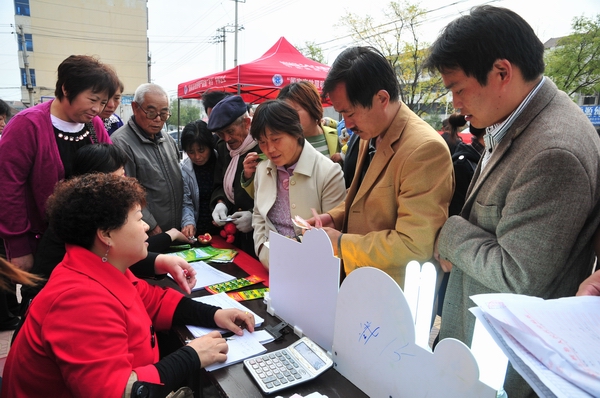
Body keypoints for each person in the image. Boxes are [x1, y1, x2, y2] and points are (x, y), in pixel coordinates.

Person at [426, 6, 600, 397]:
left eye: (458, 88)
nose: (455, 103)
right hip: (480, 345)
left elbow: (518, 274)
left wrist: (450, 232)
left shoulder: (554, 149)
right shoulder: (516, 120)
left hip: (505, 366)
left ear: (502, 73)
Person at [1, 173, 255, 397]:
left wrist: (216, 314)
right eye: (138, 218)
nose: (146, 226)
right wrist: (193, 355)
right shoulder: (78, 302)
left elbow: (155, 301)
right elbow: (118, 391)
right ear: (106, 235)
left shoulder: (99, 268)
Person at [310, 46, 454, 289]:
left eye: (350, 112)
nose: (347, 123)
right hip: (362, 282)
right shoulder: (371, 130)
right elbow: (364, 199)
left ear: (382, 99)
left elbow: (414, 244)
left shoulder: (424, 149)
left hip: (393, 294)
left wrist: (341, 243)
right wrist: (334, 217)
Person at [18, 143, 198, 324]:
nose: (125, 184)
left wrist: (162, 260)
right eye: (119, 178)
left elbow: (150, 297)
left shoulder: (89, 220)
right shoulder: (80, 298)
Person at [0, 55, 117, 272]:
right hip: (45, 244)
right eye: (92, 100)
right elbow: (8, 190)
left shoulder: (95, 126)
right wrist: (18, 248)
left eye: (102, 102)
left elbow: (114, 173)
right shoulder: (27, 125)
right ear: (66, 89)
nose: (97, 109)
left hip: (90, 243)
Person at [243, 100, 346, 268]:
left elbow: (333, 229)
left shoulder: (329, 173)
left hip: (313, 270)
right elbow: (258, 215)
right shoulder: (262, 169)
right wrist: (262, 249)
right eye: (262, 142)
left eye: (276, 139)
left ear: (296, 132)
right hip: (270, 264)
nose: (269, 149)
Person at [112, 83, 183, 236]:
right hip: (148, 233)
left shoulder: (168, 140)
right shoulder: (120, 143)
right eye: (151, 113)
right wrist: (151, 225)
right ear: (135, 107)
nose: (158, 119)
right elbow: (125, 193)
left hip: (176, 230)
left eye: (164, 114)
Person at [208, 95, 260, 256]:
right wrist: (220, 202)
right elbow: (219, 183)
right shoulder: (224, 147)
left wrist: (253, 215)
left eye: (230, 131)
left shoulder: (263, 147)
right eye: (221, 134)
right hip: (233, 234)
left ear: (247, 123)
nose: (227, 138)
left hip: (259, 235)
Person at [277, 81, 342, 163]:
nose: (288, 117)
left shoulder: (340, 136)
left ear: (312, 107)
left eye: (293, 110)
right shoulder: (280, 145)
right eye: (284, 113)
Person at [180, 120, 219, 239]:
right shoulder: (184, 169)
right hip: (198, 231)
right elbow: (186, 202)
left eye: (201, 150)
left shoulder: (221, 162)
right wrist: (188, 223)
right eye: (191, 152)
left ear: (210, 146)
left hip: (224, 230)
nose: (197, 157)